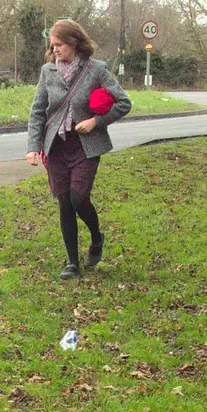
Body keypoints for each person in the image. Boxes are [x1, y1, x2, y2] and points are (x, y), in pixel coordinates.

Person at [24, 19, 131, 278]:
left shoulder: (96, 70)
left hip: (85, 146)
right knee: (64, 203)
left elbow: (123, 102)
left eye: (59, 45)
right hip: (57, 147)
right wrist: (32, 147)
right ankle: (72, 262)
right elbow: (38, 112)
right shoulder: (47, 71)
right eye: (52, 46)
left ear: (73, 42)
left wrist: (96, 121)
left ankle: (96, 237)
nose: (55, 50)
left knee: (78, 198)